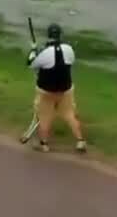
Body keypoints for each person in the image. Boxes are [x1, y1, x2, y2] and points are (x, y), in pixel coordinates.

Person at [26, 23, 86, 153]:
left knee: (45, 117)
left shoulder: (45, 53)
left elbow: (31, 65)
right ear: (60, 35)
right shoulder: (69, 49)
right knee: (70, 115)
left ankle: (44, 144)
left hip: (46, 91)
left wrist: (33, 50)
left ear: (48, 36)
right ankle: (80, 141)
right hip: (66, 90)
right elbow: (71, 61)